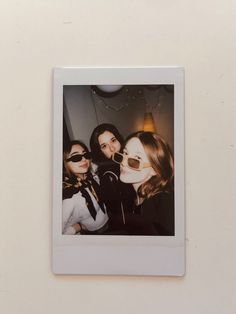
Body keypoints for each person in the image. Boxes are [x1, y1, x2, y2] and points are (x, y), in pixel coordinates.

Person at [114, 131, 174, 235]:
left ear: (155, 169)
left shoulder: (163, 205)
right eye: (125, 153)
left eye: (137, 159)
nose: (123, 163)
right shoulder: (138, 195)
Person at [90, 123, 135, 233]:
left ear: (119, 140)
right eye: (104, 146)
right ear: (100, 151)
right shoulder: (109, 177)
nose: (112, 148)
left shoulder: (127, 162)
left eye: (113, 140)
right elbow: (119, 215)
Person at [62, 140, 109, 235]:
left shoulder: (91, 177)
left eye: (85, 155)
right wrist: (77, 227)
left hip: (109, 221)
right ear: (65, 163)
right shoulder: (70, 195)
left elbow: (98, 164)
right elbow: (58, 231)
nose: (84, 159)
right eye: (76, 157)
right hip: (94, 233)